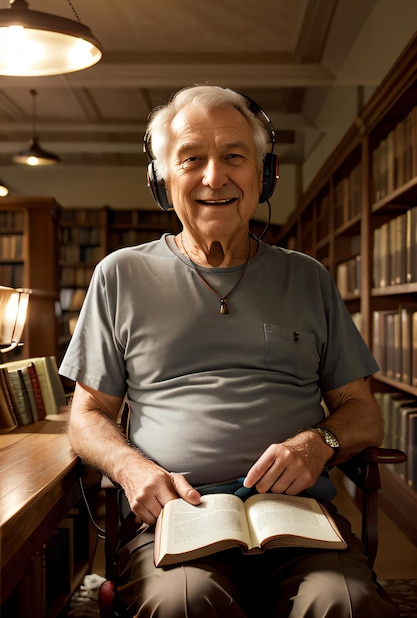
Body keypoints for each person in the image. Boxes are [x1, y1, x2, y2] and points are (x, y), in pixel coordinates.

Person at [60, 85, 399, 617]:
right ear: (161, 179)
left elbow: (364, 414)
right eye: (192, 158)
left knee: (344, 603)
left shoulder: (308, 279)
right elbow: (87, 416)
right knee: (184, 605)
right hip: (178, 519)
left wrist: (319, 443)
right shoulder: (119, 276)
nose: (214, 177)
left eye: (234, 157)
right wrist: (130, 470)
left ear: (263, 176)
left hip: (299, 517)